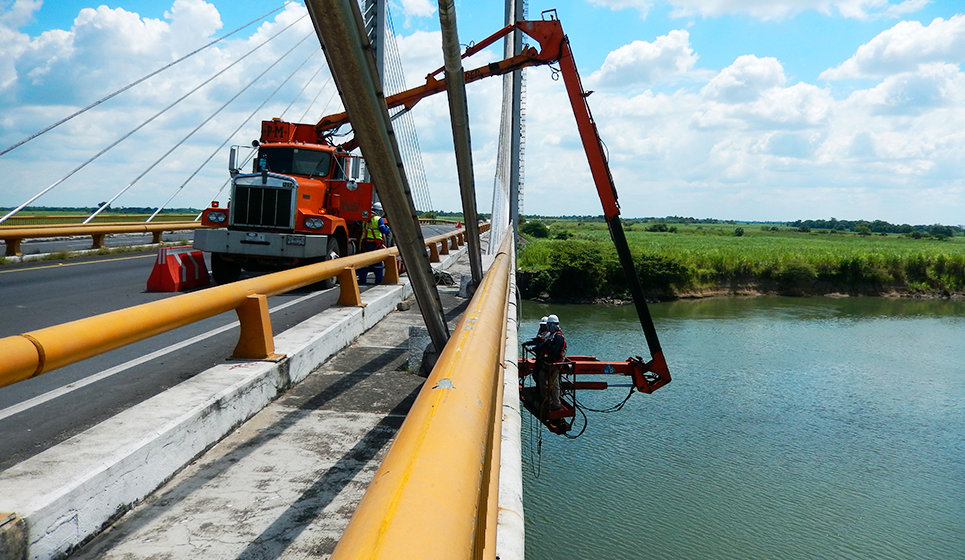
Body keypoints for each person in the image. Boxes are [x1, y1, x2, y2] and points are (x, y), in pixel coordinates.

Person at [535, 314, 566, 410]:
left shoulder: (558, 337)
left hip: (554, 364)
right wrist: (533, 348)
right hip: (548, 362)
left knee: (554, 384)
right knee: (541, 377)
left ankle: (556, 404)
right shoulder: (551, 335)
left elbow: (554, 350)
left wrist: (547, 346)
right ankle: (545, 399)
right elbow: (544, 345)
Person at [358, 202, 390, 285]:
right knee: (378, 263)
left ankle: (362, 279)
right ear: (379, 211)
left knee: (364, 263)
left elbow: (357, 224)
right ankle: (378, 280)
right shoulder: (378, 219)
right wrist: (388, 230)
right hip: (376, 244)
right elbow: (383, 230)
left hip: (365, 243)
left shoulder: (365, 218)